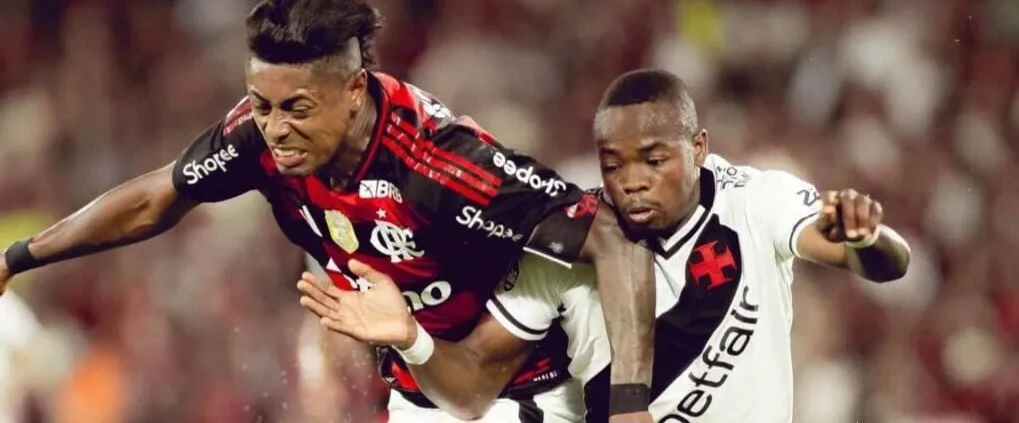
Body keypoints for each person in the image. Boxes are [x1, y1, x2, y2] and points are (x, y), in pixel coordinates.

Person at [0, 0, 658, 423]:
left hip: (519, 385)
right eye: (261, 105)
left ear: (353, 90)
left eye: (296, 108)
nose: (275, 129)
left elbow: (613, 235)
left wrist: (630, 399)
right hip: (419, 372)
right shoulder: (259, 137)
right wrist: (18, 256)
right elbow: (157, 198)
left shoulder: (440, 169)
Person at [296, 68, 912, 422]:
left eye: (654, 158)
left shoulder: (755, 203)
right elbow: (470, 388)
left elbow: (884, 264)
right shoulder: (565, 251)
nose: (631, 181)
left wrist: (867, 237)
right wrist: (411, 337)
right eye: (613, 164)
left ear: (697, 147)